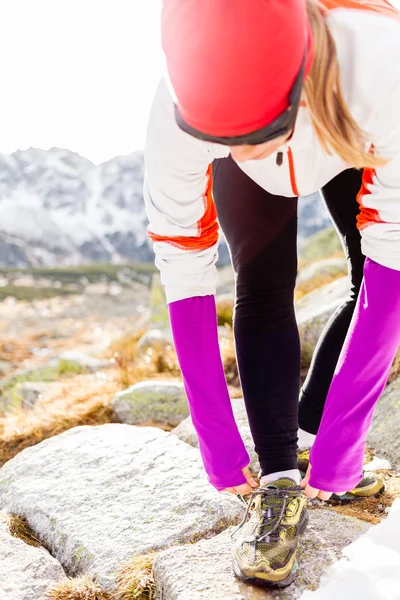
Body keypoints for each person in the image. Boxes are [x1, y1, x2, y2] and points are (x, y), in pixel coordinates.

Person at [143, 0, 400, 589]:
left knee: (366, 273)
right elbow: (183, 263)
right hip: (278, 104)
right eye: (226, 139)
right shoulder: (178, 103)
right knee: (262, 284)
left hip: (345, 121)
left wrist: (348, 430)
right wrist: (212, 430)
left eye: (256, 136)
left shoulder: (382, 67)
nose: (246, 152)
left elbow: (395, 252)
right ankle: (281, 478)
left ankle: (320, 436)